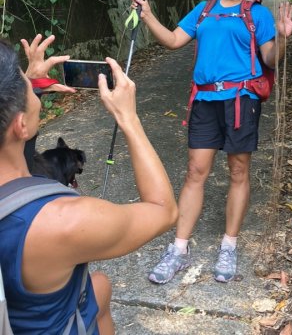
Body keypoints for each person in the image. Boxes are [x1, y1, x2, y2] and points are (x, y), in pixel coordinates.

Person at [131, 0, 292, 284]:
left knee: (238, 170)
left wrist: (281, 37)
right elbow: (173, 40)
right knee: (196, 171)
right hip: (205, 98)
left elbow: (270, 58)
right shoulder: (204, 8)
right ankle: (178, 249)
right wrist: (148, 14)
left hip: (241, 99)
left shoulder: (258, 14)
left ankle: (229, 245)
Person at [0, 34, 178, 334]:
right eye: (25, 84)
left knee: (101, 286)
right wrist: (128, 118)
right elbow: (164, 211)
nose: (31, 85)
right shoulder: (62, 222)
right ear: (21, 124)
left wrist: (22, 89)